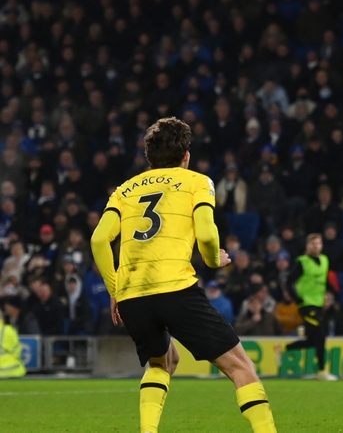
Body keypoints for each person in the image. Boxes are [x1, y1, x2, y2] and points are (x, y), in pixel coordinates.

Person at [90, 117, 277, 433]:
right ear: (186, 155)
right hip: (175, 290)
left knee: (162, 363)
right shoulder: (197, 182)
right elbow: (206, 234)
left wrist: (116, 288)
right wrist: (215, 259)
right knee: (241, 368)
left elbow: (98, 240)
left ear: (149, 157)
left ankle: (148, 431)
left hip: (134, 294)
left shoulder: (124, 190)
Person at [277, 233, 337, 381]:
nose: (316, 246)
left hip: (319, 304)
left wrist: (333, 292)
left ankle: (283, 349)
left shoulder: (324, 260)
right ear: (307, 246)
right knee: (321, 336)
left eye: (318, 243)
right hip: (306, 304)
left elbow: (323, 280)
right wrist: (296, 298)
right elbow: (289, 280)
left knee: (313, 340)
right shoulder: (302, 262)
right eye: (313, 244)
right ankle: (322, 371)